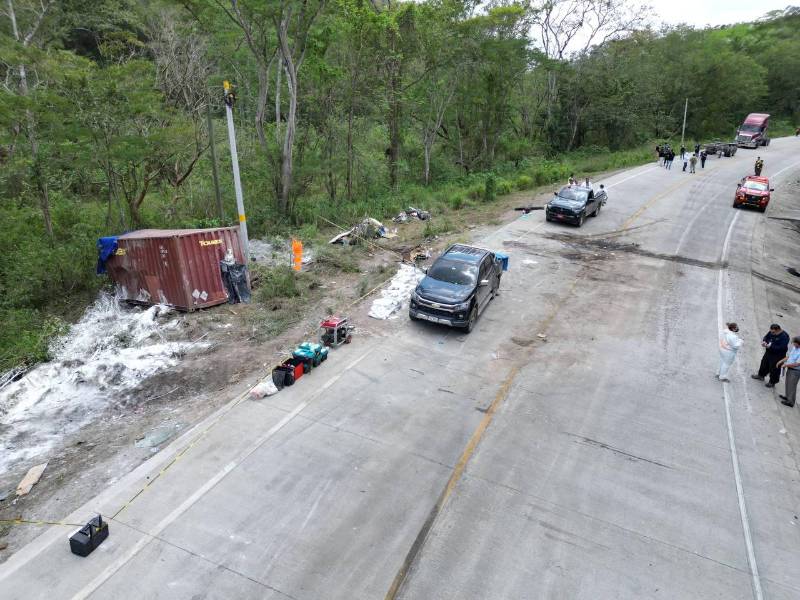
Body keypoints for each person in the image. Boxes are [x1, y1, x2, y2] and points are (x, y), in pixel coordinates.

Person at [778, 337, 800, 407]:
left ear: (798, 343)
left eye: (794, 343)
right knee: (788, 383)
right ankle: (787, 396)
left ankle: (790, 402)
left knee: (792, 386)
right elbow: (789, 356)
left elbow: (797, 364)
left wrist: (786, 365)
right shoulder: (794, 348)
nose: (793, 344)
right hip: (790, 368)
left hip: (795, 370)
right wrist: (781, 361)